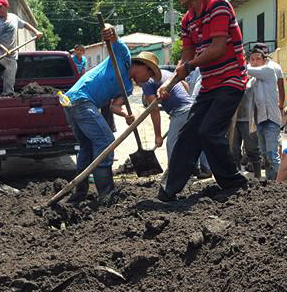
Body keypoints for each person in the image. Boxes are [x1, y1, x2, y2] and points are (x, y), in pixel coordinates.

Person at [157, 0, 249, 202]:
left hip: (231, 80)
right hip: (209, 84)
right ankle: (169, 190)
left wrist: (188, 66)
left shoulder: (218, 5)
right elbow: (187, 57)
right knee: (188, 134)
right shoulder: (187, 20)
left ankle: (233, 182)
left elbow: (217, 49)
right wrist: (168, 84)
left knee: (209, 131)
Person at [61, 25, 136, 204]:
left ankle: (80, 193)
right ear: (140, 67)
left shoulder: (129, 88)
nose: (148, 79)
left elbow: (114, 107)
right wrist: (110, 31)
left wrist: (126, 115)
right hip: (79, 98)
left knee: (87, 146)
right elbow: (113, 36)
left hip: (76, 103)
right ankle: (106, 193)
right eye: (149, 73)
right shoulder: (124, 58)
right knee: (106, 141)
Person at [133, 52, 191, 163]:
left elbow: (154, 109)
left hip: (180, 111)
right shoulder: (166, 73)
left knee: (172, 144)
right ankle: (199, 168)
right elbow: (184, 84)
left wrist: (158, 136)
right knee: (190, 139)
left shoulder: (147, 81)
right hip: (190, 107)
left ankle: (173, 175)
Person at [0, 0, 42, 95]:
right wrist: (3, 48)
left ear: (6, 7)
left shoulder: (14, 17)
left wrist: (36, 31)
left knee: (9, 81)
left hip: (12, 55)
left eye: (0, 7)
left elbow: (25, 24)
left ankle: (7, 97)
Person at [246, 47, 284, 180]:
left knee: (272, 155)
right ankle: (270, 182)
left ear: (264, 60)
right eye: (252, 59)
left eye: (258, 59)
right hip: (260, 121)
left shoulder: (268, 71)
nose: (255, 62)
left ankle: (277, 184)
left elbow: (245, 70)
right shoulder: (252, 81)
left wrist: (238, 65)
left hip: (271, 120)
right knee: (265, 155)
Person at [231, 72, 261, 176]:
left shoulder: (253, 81)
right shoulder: (231, 79)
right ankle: (237, 176)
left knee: (252, 149)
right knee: (234, 150)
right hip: (234, 120)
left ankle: (258, 176)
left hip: (248, 119)